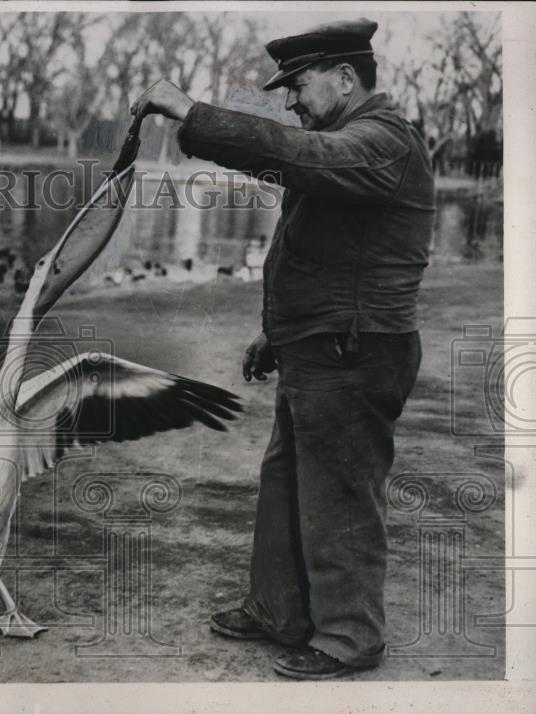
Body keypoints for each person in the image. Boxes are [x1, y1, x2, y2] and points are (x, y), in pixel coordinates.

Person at [131, 18, 434, 679]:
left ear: (346, 77)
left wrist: (190, 112)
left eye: (298, 84)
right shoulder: (349, 142)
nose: (290, 99)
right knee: (288, 481)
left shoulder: (383, 141)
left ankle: (352, 638)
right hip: (319, 344)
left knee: (340, 493)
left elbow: (294, 153)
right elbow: (331, 252)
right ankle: (279, 611)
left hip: (353, 352)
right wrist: (277, 331)